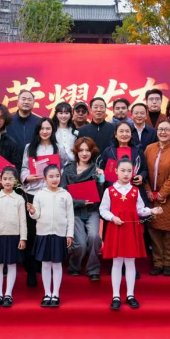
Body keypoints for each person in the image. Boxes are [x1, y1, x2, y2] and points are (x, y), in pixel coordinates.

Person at [100, 157, 162, 310]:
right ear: (116, 171)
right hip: (116, 228)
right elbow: (103, 209)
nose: (126, 174)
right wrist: (112, 218)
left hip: (130, 230)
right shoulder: (109, 191)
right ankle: (116, 295)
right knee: (116, 263)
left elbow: (140, 210)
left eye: (129, 171)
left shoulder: (135, 191)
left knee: (130, 262)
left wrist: (152, 210)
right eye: (123, 170)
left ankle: (130, 295)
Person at [20, 117, 71, 286]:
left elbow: (67, 165)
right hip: (33, 192)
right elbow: (24, 167)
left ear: (53, 130)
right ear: (37, 130)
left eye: (48, 128)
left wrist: (57, 175)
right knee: (31, 233)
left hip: (52, 194)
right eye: (42, 128)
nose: (45, 131)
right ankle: (31, 270)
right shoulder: (29, 147)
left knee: (47, 232)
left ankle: (44, 266)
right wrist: (28, 177)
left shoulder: (58, 148)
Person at [144, 120, 170, 276]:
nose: (163, 132)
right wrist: (148, 190)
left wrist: (162, 193)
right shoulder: (149, 149)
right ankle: (157, 262)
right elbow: (143, 171)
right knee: (154, 230)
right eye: (160, 129)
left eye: (167, 130)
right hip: (150, 197)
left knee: (169, 232)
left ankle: (168, 262)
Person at [29, 165, 74, 308]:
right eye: (51, 176)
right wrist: (32, 212)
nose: (55, 179)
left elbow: (70, 217)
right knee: (46, 264)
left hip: (59, 234)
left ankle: (56, 294)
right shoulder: (39, 195)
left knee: (57, 264)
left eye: (57, 176)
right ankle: (47, 293)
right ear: (44, 179)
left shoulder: (65, 194)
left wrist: (69, 234)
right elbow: (36, 215)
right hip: (43, 233)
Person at [60, 137, 105, 281]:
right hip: (74, 211)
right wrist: (79, 202)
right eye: (81, 150)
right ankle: (74, 266)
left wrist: (101, 180)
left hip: (92, 210)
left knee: (94, 237)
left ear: (92, 152)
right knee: (79, 243)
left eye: (87, 150)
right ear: (76, 152)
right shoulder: (68, 170)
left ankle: (93, 269)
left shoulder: (96, 170)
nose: (84, 153)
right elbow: (62, 194)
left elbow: (101, 196)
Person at [0, 167, 27, 308]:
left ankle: (8, 294)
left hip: (13, 236)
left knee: (11, 265)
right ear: (0, 180)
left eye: (10, 179)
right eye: (5, 179)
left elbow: (23, 220)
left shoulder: (19, 199)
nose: (8, 181)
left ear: (16, 181)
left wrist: (23, 238)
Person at [98, 121, 148, 191]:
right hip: (113, 190)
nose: (124, 134)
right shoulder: (108, 151)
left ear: (131, 134)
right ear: (115, 134)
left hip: (134, 190)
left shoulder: (138, 151)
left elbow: (144, 169)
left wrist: (141, 176)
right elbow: (102, 169)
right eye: (121, 131)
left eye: (127, 131)